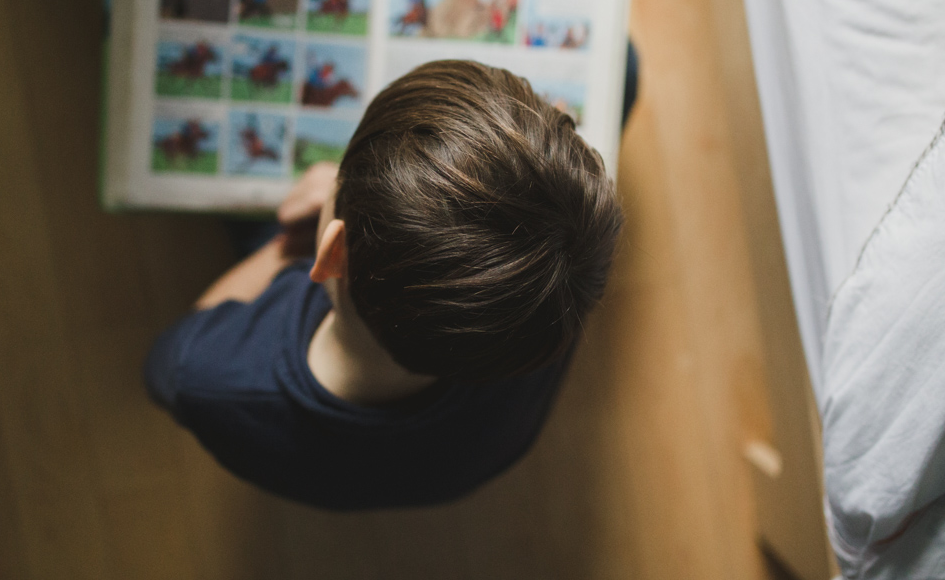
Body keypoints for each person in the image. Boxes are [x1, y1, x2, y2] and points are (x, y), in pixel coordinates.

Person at [144, 60, 624, 510]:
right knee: (624, 66)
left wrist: (288, 246)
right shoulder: (541, 309)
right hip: (465, 460)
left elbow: (167, 362)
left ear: (330, 253)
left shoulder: (213, 379)